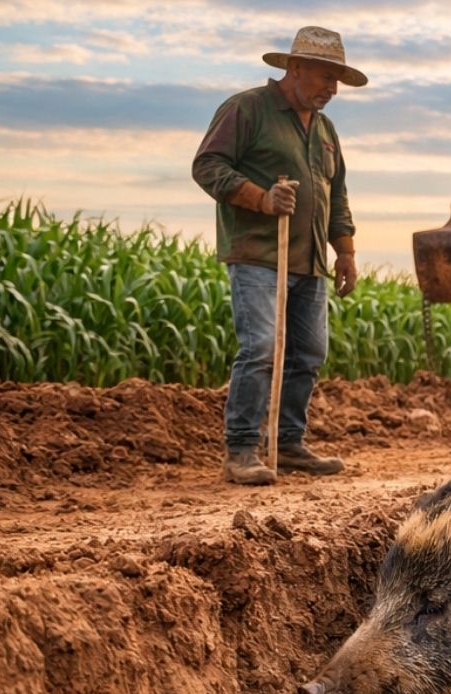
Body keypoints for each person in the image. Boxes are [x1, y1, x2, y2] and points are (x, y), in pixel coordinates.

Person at [192, 26, 365, 486]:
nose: (331, 90)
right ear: (295, 67)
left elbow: (337, 194)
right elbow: (207, 166)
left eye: (337, 82)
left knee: (308, 352)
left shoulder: (326, 130)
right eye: (325, 77)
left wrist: (344, 252)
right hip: (258, 255)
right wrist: (261, 198)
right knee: (263, 348)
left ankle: (288, 444)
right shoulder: (247, 109)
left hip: (309, 262)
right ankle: (242, 449)